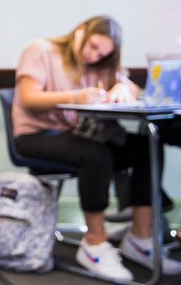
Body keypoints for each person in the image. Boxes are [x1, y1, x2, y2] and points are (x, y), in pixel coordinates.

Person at [12, 15, 181, 279]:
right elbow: (29, 98)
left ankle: (140, 238)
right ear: (80, 32)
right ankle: (94, 243)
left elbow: (130, 86)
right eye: (92, 47)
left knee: (146, 146)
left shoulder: (100, 63)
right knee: (95, 154)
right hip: (35, 136)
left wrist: (125, 90)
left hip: (75, 135)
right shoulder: (41, 51)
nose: (93, 57)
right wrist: (75, 96)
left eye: (102, 54)